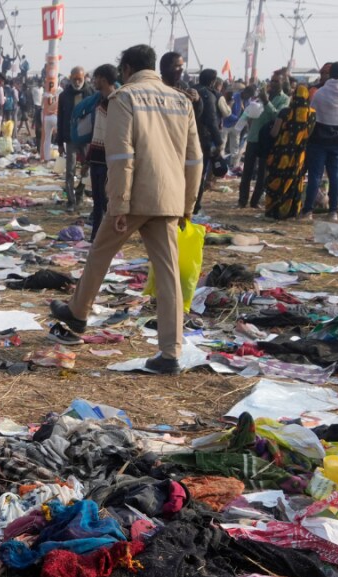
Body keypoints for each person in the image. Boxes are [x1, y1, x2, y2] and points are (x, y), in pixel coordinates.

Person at [50, 44, 201, 375]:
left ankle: (78, 312)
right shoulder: (180, 101)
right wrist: (187, 204)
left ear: (128, 69)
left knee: (101, 253)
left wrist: (118, 203)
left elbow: (121, 156)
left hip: (134, 198)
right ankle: (170, 353)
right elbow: (194, 159)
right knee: (168, 275)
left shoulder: (125, 98)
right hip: (169, 199)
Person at [263, 84, 316, 220]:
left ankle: (274, 211)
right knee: (294, 181)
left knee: (277, 180)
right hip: (299, 155)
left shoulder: (285, 112)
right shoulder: (312, 114)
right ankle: (291, 212)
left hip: (281, 154)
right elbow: (309, 135)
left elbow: (274, 133)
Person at [240, 78, 284, 209]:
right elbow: (250, 112)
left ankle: (255, 201)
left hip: (267, 140)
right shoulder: (261, 95)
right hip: (253, 137)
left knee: (262, 173)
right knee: (247, 170)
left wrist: (266, 102)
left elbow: (278, 116)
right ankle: (242, 200)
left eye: (277, 82)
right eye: (272, 82)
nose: (273, 84)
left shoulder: (284, 99)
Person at [86, 64, 119, 240]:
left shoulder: (116, 101)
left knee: (107, 201)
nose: (94, 81)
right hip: (96, 157)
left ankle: (107, 237)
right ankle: (96, 237)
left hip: (109, 159)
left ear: (104, 80)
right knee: (97, 201)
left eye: (96, 78)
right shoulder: (100, 99)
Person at [304, 62, 338, 222]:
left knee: (315, 176)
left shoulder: (320, 93)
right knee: (335, 176)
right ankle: (333, 212)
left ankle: (307, 212)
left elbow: (311, 117)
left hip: (318, 140)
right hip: (337, 142)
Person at [57, 66, 89, 208]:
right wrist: (59, 142)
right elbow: (61, 118)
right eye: (74, 79)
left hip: (87, 137)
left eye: (79, 79)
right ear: (70, 78)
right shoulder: (64, 95)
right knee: (70, 170)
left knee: (86, 169)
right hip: (70, 138)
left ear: (84, 78)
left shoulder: (91, 93)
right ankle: (71, 200)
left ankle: (80, 194)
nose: (77, 82)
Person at [193, 69, 223, 213]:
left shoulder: (191, 90)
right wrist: (219, 141)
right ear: (213, 81)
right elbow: (211, 120)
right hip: (201, 139)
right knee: (199, 174)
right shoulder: (208, 95)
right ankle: (195, 206)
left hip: (184, 137)